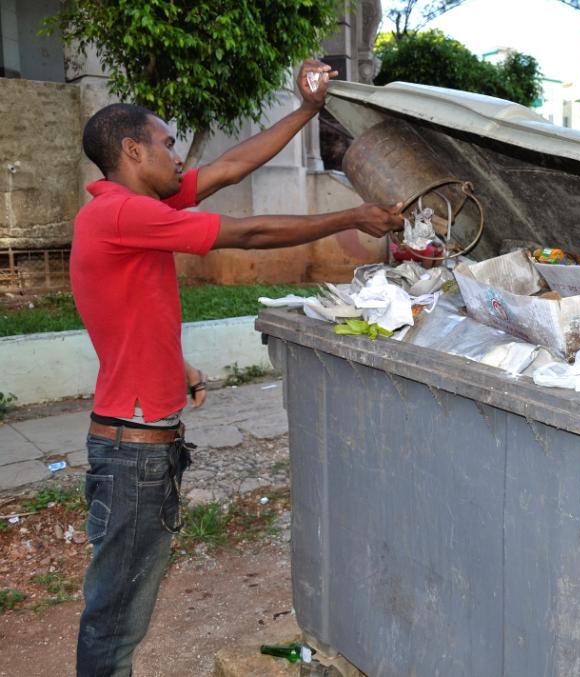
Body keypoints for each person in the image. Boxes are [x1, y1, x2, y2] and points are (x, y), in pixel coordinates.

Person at [71, 59, 403, 677]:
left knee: (119, 610)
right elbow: (247, 235)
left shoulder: (126, 210)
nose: (177, 156)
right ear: (130, 150)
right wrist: (351, 217)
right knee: (115, 620)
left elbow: (229, 169)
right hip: (132, 450)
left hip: (136, 435)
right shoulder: (122, 214)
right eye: (167, 144)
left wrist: (308, 111)